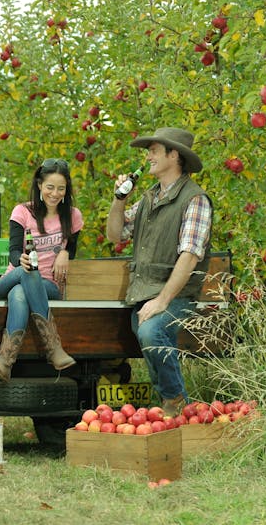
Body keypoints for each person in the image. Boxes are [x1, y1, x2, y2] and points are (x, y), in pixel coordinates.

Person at [105, 127, 213, 416]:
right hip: (146, 292)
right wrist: (119, 200)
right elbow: (115, 235)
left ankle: (176, 402)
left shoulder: (195, 199)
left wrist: (162, 301)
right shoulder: (149, 197)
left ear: (173, 155)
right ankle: (170, 405)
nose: (148, 156)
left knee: (152, 330)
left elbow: (189, 258)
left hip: (178, 296)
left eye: (154, 150)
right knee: (141, 328)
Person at [0, 158, 84, 382]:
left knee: (19, 294)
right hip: (14, 276)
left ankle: (5, 363)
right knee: (27, 274)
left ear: (66, 189)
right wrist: (22, 260)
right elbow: (12, 252)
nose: (55, 193)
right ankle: (54, 348)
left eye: (61, 188)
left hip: (49, 286)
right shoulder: (22, 212)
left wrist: (66, 253)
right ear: (39, 185)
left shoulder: (73, 216)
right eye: (50, 187)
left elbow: (73, 249)